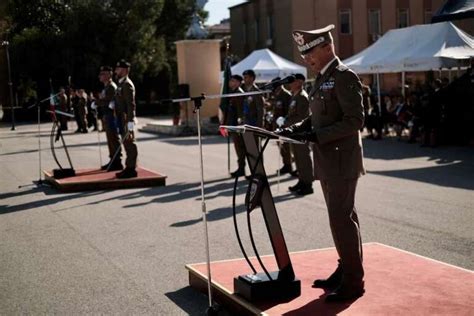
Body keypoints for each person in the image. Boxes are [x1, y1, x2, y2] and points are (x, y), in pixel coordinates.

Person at [278, 24, 365, 302]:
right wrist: (296, 129)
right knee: (338, 220)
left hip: (341, 159)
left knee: (342, 220)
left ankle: (353, 281)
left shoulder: (343, 76)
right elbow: (318, 118)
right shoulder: (321, 78)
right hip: (328, 159)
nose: (306, 59)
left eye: (310, 52)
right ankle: (345, 269)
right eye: (304, 55)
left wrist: (316, 135)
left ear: (328, 47)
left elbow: (355, 121)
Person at [287, 73, 313, 195]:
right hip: (295, 133)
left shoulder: (302, 97)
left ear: (300, 82)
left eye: (293, 81)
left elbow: (302, 117)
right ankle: (301, 181)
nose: (290, 83)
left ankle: (308, 184)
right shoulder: (295, 96)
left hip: (302, 132)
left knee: (304, 158)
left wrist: (286, 122)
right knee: (297, 157)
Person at [92, 66, 122, 171]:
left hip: (111, 115)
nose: (100, 76)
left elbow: (108, 100)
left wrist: (96, 102)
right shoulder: (106, 87)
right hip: (107, 115)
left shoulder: (111, 87)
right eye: (100, 74)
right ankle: (113, 159)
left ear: (109, 75)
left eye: (103, 74)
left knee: (113, 138)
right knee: (110, 139)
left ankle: (117, 161)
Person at [114, 60, 138, 179]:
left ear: (124, 70)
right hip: (121, 118)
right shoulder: (121, 84)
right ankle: (129, 167)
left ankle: (131, 169)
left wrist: (130, 122)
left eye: (118, 69)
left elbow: (131, 105)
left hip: (126, 119)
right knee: (126, 142)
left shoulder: (127, 84)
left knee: (129, 143)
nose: (116, 71)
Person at [268, 77, 293, 174]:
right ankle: (286, 164)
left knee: (286, 146)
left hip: (283, 125)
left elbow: (289, 111)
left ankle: (289, 165)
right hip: (276, 125)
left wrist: (285, 123)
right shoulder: (276, 95)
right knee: (281, 146)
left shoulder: (286, 95)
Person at [223, 74, 246, 178]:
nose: (230, 82)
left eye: (232, 81)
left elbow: (240, 111)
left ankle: (242, 169)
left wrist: (239, 125)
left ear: (238, 82)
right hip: (233, 124)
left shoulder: (239, 93)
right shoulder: (234, 93)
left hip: (237, 125)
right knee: (238, 148)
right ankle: (240, 168)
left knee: (240, 148)